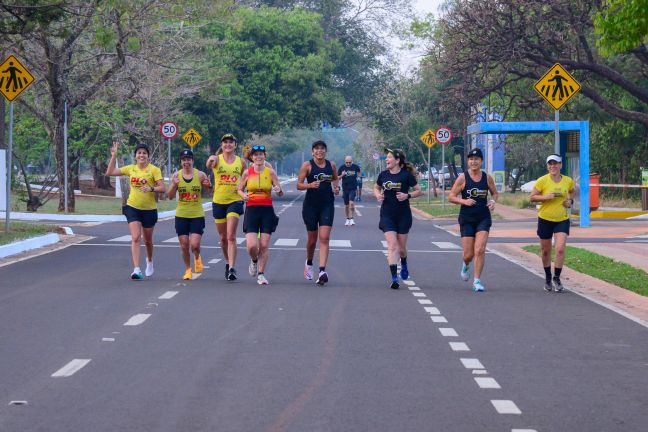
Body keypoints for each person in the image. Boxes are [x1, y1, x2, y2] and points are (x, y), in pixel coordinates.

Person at [106, 141, 165, 280]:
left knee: (148, 240)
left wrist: (151, 188)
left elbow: (163, 188)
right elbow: (110, 172)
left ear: (148, 156)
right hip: (132, 207)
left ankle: (149, 260)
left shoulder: (154, 170)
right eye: (139, 153)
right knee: (136, 237)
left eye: (144, 153)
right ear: (135, 156)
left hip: (149, 209)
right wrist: (114, 156)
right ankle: (137, 269)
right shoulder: (130, 169)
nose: (141, 155)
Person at [448, 148, 498, 292]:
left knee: (480, 249)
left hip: (483, 217)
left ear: (481, 161)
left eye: (476, 159)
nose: (473, 161)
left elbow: (494, 193)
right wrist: (464, 201)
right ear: (468, 162)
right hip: (467, 218)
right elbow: (451, 196)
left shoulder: (487, 178)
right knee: (468, 254)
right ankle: (466, 264)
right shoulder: (463, 178)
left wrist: (493, 202)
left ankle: (477, 281)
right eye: (471, 159)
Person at [374, 148, 422, 289]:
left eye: (389, 157)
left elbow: (419, 191)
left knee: (401, 249)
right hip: (387, 214)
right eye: (386, 158)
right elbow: (376, 188)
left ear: (397, 160)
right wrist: (378, 194)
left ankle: (404, 262)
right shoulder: (383, 175)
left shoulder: (406, 176)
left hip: (403, 215)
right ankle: (394, 278)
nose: (386, 160)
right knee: (392, 246)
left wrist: (407, 196)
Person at [237, 145, 284, 285]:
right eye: (256, 155)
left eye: (261, 154)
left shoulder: (270, 173)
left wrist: (278, 189)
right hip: (252, 210)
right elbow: (239, 189)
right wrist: (243, 195)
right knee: (252, 246)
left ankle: (261, 274)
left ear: (265, 156)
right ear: (252, 157)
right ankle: (254, 260)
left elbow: (280, 192)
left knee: (263, 245)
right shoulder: (247, 173)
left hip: (267, 211)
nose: (258, 157)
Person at [297, 140, 340, 285]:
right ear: (312, 152)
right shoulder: (307, 165)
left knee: (325, 237)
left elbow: (335, 179)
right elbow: (298, 185)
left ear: (325, 151)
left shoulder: (331, 165)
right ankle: (309, 263)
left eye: (322, 149)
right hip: (310, 206)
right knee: (312, 240)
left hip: (327, 205)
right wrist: (310, 185)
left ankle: (322, 271)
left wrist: (336, 188)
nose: (319, 151)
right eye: (316, 149)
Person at [530, 154, 575, 292]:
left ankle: (557, 277)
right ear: (547, 166)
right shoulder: (542, 181)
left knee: (560, 249)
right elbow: (532, 198)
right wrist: (545, 197)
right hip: (545, 219)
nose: (553, 166)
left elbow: (571, 193)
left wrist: (570, 202)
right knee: (545, 251)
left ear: (561, 165)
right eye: (550, 164)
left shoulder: (567, 181)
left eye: (555, 163)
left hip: (562, 219)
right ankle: (548, 277)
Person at [206, 133, 247, 281]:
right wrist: (211, 159)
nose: (228, 145)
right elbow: (209, 164)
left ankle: (232, 268)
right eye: (225, 142)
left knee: (231, 235)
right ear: (221, 145)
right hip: (218, 201)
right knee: (223, 238)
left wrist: (243, 191)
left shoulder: (241, 162)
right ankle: (227, 261)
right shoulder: (216, 159)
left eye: (231, 142)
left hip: (234, 201)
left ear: (235, 145)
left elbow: (245, 177)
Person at [167, 149, 212, 280]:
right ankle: (188, 269)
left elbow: (210, 192)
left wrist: (209, 186)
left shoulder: (200, 175)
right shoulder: (176, 176)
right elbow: (169, 196)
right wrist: (174, 185)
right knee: (184, 244)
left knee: (195, 245)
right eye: (184, 160)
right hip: (181, 215)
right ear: (181, 162)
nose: (186, 162)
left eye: (189, 159)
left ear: (192, 161)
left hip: (197, 214)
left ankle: (197, 257)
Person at [337, 155, 361, 226]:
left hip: (353, 188)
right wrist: (342, 175)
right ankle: (347, 219)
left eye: (349, 162)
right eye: (346, 162)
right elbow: (337, 178)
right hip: (345, 189)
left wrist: (358, 177)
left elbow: (359, 172)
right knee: (347, 205)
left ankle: (352, 218)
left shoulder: (355, 167)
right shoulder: (342, 167)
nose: (348, 164)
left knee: (351, 203)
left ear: (352, 161)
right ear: (345, 162)